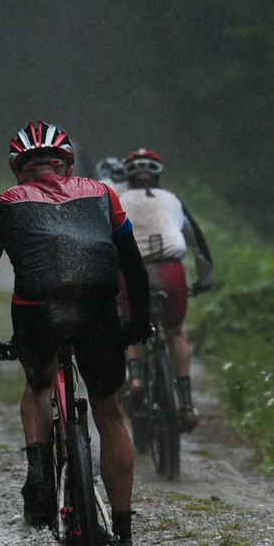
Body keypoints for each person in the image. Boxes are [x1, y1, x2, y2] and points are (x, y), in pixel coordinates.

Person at [0, 119, 152, 546]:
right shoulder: (104, 194)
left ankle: (39, 472)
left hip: (37, 311)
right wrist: (139, 323)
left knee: (39, 381)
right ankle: (123, 541)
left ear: (17, 169)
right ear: (67, 163)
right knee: (109, 412)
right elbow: (135, 270)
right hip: (99, 308)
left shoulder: (3, 204)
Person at [117, 148, 214, 431]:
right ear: (158, 176)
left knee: (134, 326)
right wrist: (204, 280)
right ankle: (185, 404)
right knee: (174, 333)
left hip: (133, 272)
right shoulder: (172, 200)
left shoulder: (118, 200)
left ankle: (135, 380)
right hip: (172, 271)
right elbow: (198, 245)